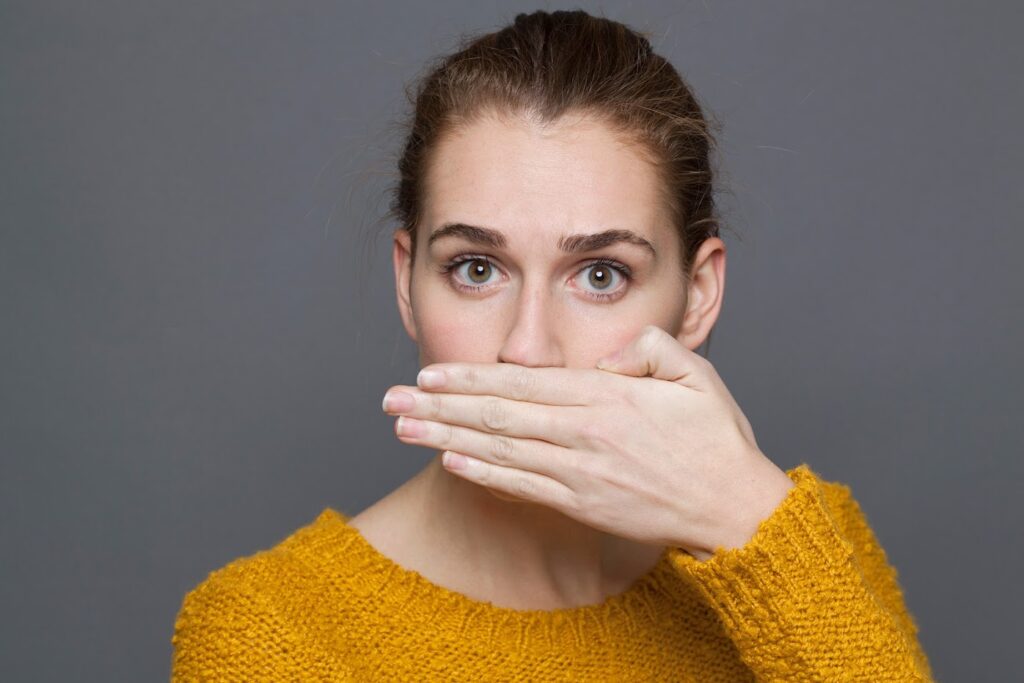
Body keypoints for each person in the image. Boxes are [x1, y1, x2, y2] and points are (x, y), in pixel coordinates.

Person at [170, 9, 934, 681]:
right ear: (408, 282)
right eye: (476, 268)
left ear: (697, 295)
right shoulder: (269, 630)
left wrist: (749, 523)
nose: (527, 349)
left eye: (600, 274)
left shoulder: (801, 544)